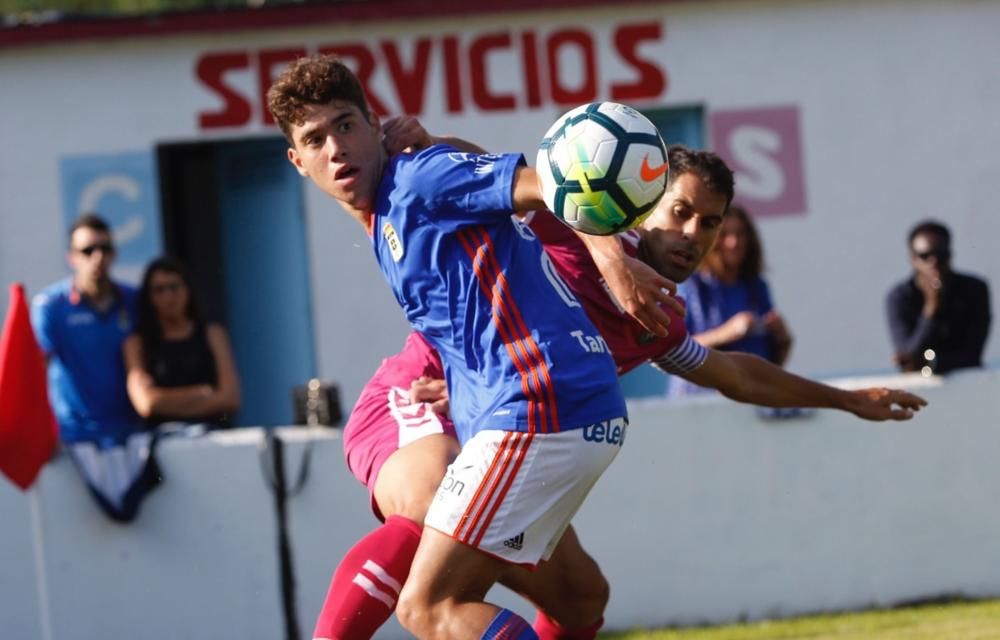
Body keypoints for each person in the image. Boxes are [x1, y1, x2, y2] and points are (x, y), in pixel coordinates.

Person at [297, 138, 928, 637]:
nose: (691, 235)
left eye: (708, 223)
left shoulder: (657, 315)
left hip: (511, 432)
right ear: (642, 201)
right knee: (430, 523)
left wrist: (846, 398)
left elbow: (733, 373)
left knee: (580, 599)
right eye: (679, 212)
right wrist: (607, 254)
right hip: (422, 394)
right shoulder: (567, 230)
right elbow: (521, 178)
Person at [268, 53, 686, 640]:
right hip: (568, 409)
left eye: (345, 125)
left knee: (430, 607)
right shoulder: (395, 205)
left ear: (373, 121)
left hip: (534, 405)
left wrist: (614, 265)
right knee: (576, 595)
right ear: (298, 160)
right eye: (315, 138)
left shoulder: (416, 178)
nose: (336, 147)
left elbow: (557, 185)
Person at [30, 213, 160, 522]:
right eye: (88, 250)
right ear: (72, 257)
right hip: (74, 440)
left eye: (105, 248)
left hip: (129, 435)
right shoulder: (50, 306)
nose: (97, 257)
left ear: (114, 253)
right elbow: (35, 374)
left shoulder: (133, 300)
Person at [670, 205, 792, 396]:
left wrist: (783, 340)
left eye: (740, 234)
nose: (733, 242)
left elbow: (771, 365)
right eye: (725, 234)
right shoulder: (692, 285)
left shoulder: (756, 286)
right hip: (699, 401)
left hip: (749, 397)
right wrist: (727, 332)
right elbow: (673, 349)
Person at [123, 256, 241, 431]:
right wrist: (200, 393)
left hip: (214, 436)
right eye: (159, 290)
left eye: (174, 287)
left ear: (188, 290)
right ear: (149, 296)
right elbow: (147, 404)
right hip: (163, 443)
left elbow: (230, 398)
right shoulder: (137, 343)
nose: (168, 296)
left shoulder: (213, 334)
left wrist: (168, 402)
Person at [886, 220, 991, 375]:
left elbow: (972, 354)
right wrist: (931, 308)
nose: (933, 262)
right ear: (912, 259)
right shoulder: (899, 297)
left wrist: (930, 364)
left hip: (968, 386)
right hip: (917, 390)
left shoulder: (974, 290)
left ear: (950, 255)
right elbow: (908, 356)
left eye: (940, 254)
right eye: (925, 256)